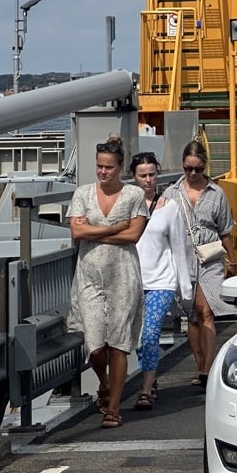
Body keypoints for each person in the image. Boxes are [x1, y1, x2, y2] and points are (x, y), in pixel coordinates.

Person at [67, 136, 148, 429]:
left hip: (123, 276)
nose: (103, 172)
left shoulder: (134, 196)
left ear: (120, 167)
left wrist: (93, 229)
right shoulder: (82, 194)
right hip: (89, 276)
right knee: (95, 346)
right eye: (99, 166)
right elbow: (77, 233)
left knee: (118, 344)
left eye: (109, 167)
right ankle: (104, 383)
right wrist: (115, 227)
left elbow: (133, 236)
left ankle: (113, 408)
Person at [166, 140, 237, 388]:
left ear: (205, 166)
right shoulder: (171, 193)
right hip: (182, 257)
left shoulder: (216, 194)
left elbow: (226, 231)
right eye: (188, 169)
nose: (193, 174)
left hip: (210, 257)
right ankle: (199, 365)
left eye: (197, 169)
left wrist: (233, 260)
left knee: (206, 311)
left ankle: (207, 367)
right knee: (193, 315)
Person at [130, 152, 192, 411]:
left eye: (152, 174)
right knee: (136, 338)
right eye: (142, 175)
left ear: (158, 174)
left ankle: (145, 390)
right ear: (133, 177)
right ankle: (150, 375)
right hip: (133, 279)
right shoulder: (127, 206)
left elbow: (179, 247)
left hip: (162, 280)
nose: (148, 180)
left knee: (151, 332)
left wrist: (184, 286)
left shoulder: (170, 208)